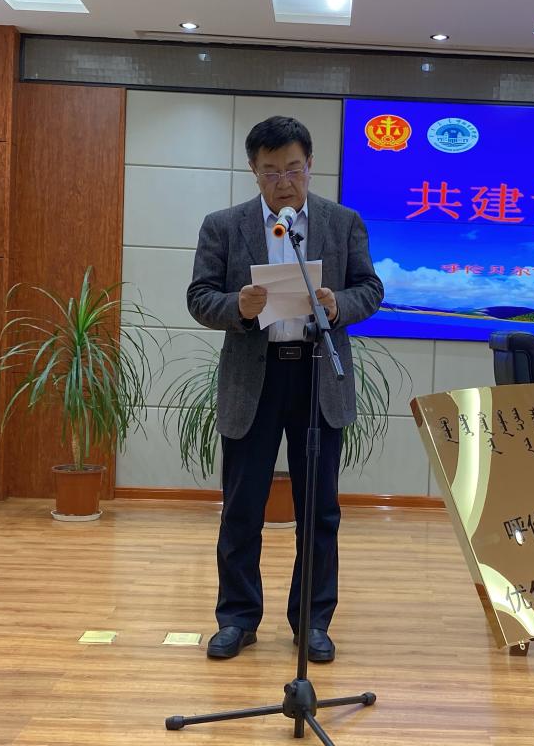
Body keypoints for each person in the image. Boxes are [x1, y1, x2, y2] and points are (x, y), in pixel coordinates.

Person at [187, 116, 384, 662]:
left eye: (293, 169)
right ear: (253, 171)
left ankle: (312, 622)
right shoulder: (224, 226)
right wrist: (238, 306)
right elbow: (200, 297)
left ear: (309, 166)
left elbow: (371, 288)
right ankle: (237, 618)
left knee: (319, 512)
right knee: (242, 508)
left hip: (317, 377)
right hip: (255, 377)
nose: (283, 182)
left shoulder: (342, 222)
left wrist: (338, 305)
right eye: (270, 172)